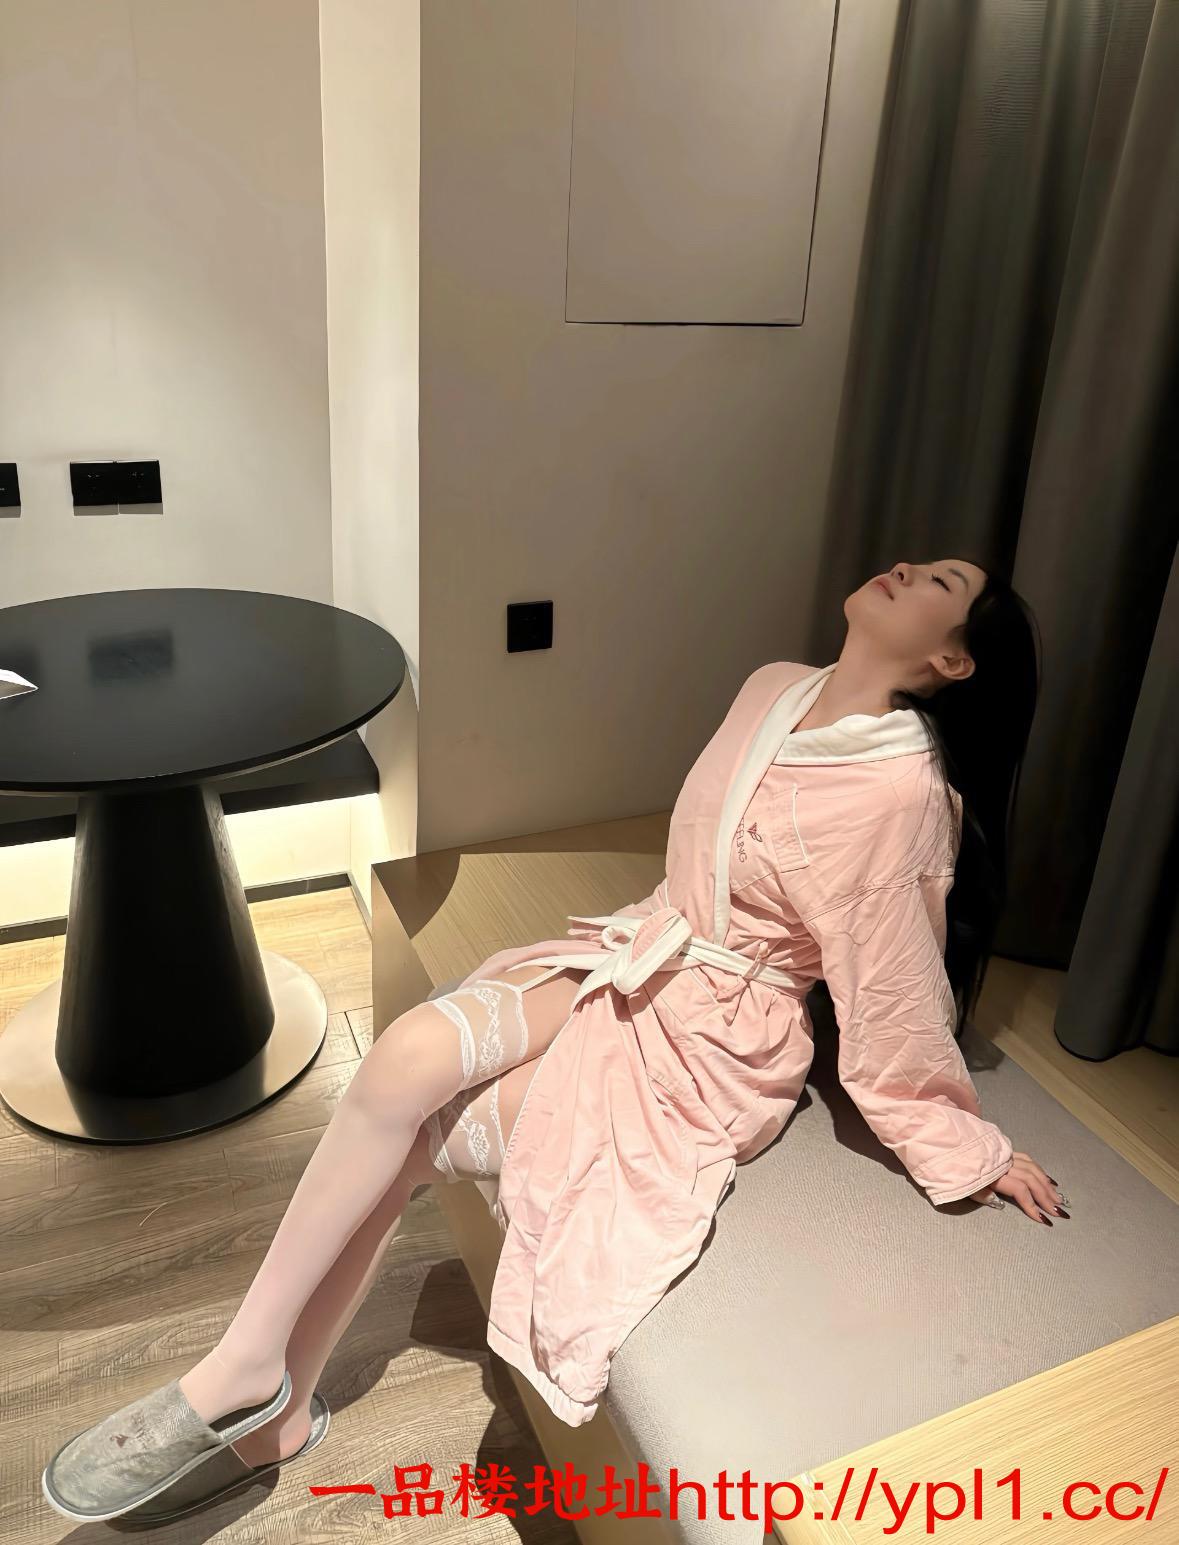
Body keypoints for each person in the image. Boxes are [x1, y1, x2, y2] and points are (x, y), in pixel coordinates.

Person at [42, 557, 1064, 1521]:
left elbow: (890, 987)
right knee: (401, 1062)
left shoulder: (898, 792)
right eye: (918, 558)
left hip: (719, 1035)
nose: (908, 568)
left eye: (941, 581)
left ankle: (261, 1395)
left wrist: (958, 1141)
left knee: (423, 1137)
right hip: (645, 944)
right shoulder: (773, 686)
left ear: (951, 660)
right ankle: (249, 1369)